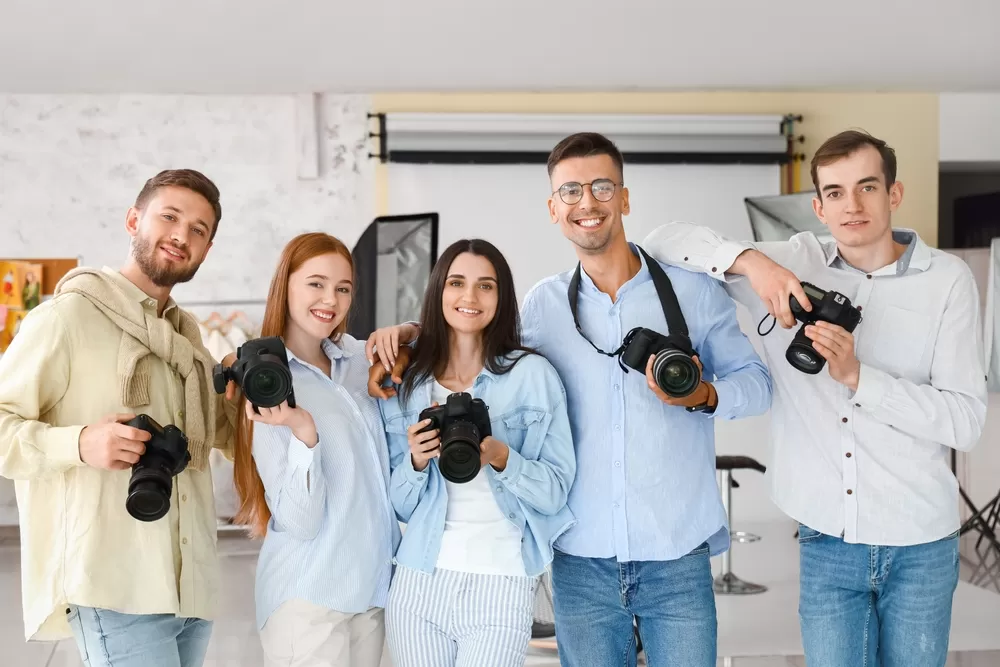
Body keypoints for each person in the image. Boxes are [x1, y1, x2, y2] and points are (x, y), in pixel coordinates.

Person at [368, 134, 773, 667]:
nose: (588, 202)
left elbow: (758, 384)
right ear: (554, 209)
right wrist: (410, 336)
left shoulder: (692, 294)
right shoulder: (544, 305)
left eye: (602, 186)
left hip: (676, 552)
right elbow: (479, 337)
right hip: (581, 561)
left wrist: (704, 394)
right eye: (571, 191)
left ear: (624, 199)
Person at [642, 129, 988, 667]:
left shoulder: (948, 280)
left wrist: (858, 377)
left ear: (894, 195)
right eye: (835, 192)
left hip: (920, 541)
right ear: (818, 207)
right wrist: (756, 265)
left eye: (867, 187)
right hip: (827, 540)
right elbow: (661, 241)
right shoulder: (794, 262)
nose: (851, 205)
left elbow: (965, 423)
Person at [0, 169, 240, 667]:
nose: (181, 235)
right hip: (116, 583)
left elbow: (221, 439)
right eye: (169, 217)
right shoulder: (66, 317)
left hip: (189, 588)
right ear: (134, 220)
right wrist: (81, 443)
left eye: (199, 229)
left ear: (207, 249)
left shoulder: (190, 345)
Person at [375, 238, 576, 667]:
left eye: (486, 286)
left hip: (502, 582)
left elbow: (556, 492)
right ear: (438, 292)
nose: (469, 297)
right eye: (457, 283)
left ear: (501, 298)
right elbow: (401, 506)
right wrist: (415, 460)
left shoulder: (533, 376)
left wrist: (505, 459)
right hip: (419, 582)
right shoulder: (408, 383)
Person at [232, 232, 400, 667]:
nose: (331, 299)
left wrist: (404, 330)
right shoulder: (266, 381)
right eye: (316, 283)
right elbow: (300, 522)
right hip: (308, 601)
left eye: (343, 288)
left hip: (371, 594)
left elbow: (428, 343)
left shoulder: (357, 358)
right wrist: (304, 432)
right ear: (285, 285)